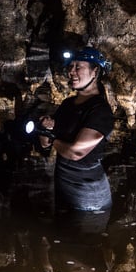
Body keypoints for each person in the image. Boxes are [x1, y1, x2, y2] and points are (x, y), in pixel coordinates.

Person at [35, 47, 115, 214]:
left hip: (89, 195)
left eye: (78, 66)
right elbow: (45, 143)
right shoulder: (67, 105)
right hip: (63, 184)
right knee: (61, 227)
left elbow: (76, 152)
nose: (71, 71)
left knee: (80, 230)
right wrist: (45, 128)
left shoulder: (100, 111)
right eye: (70, 66)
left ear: (95, 72)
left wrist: (52, 138)